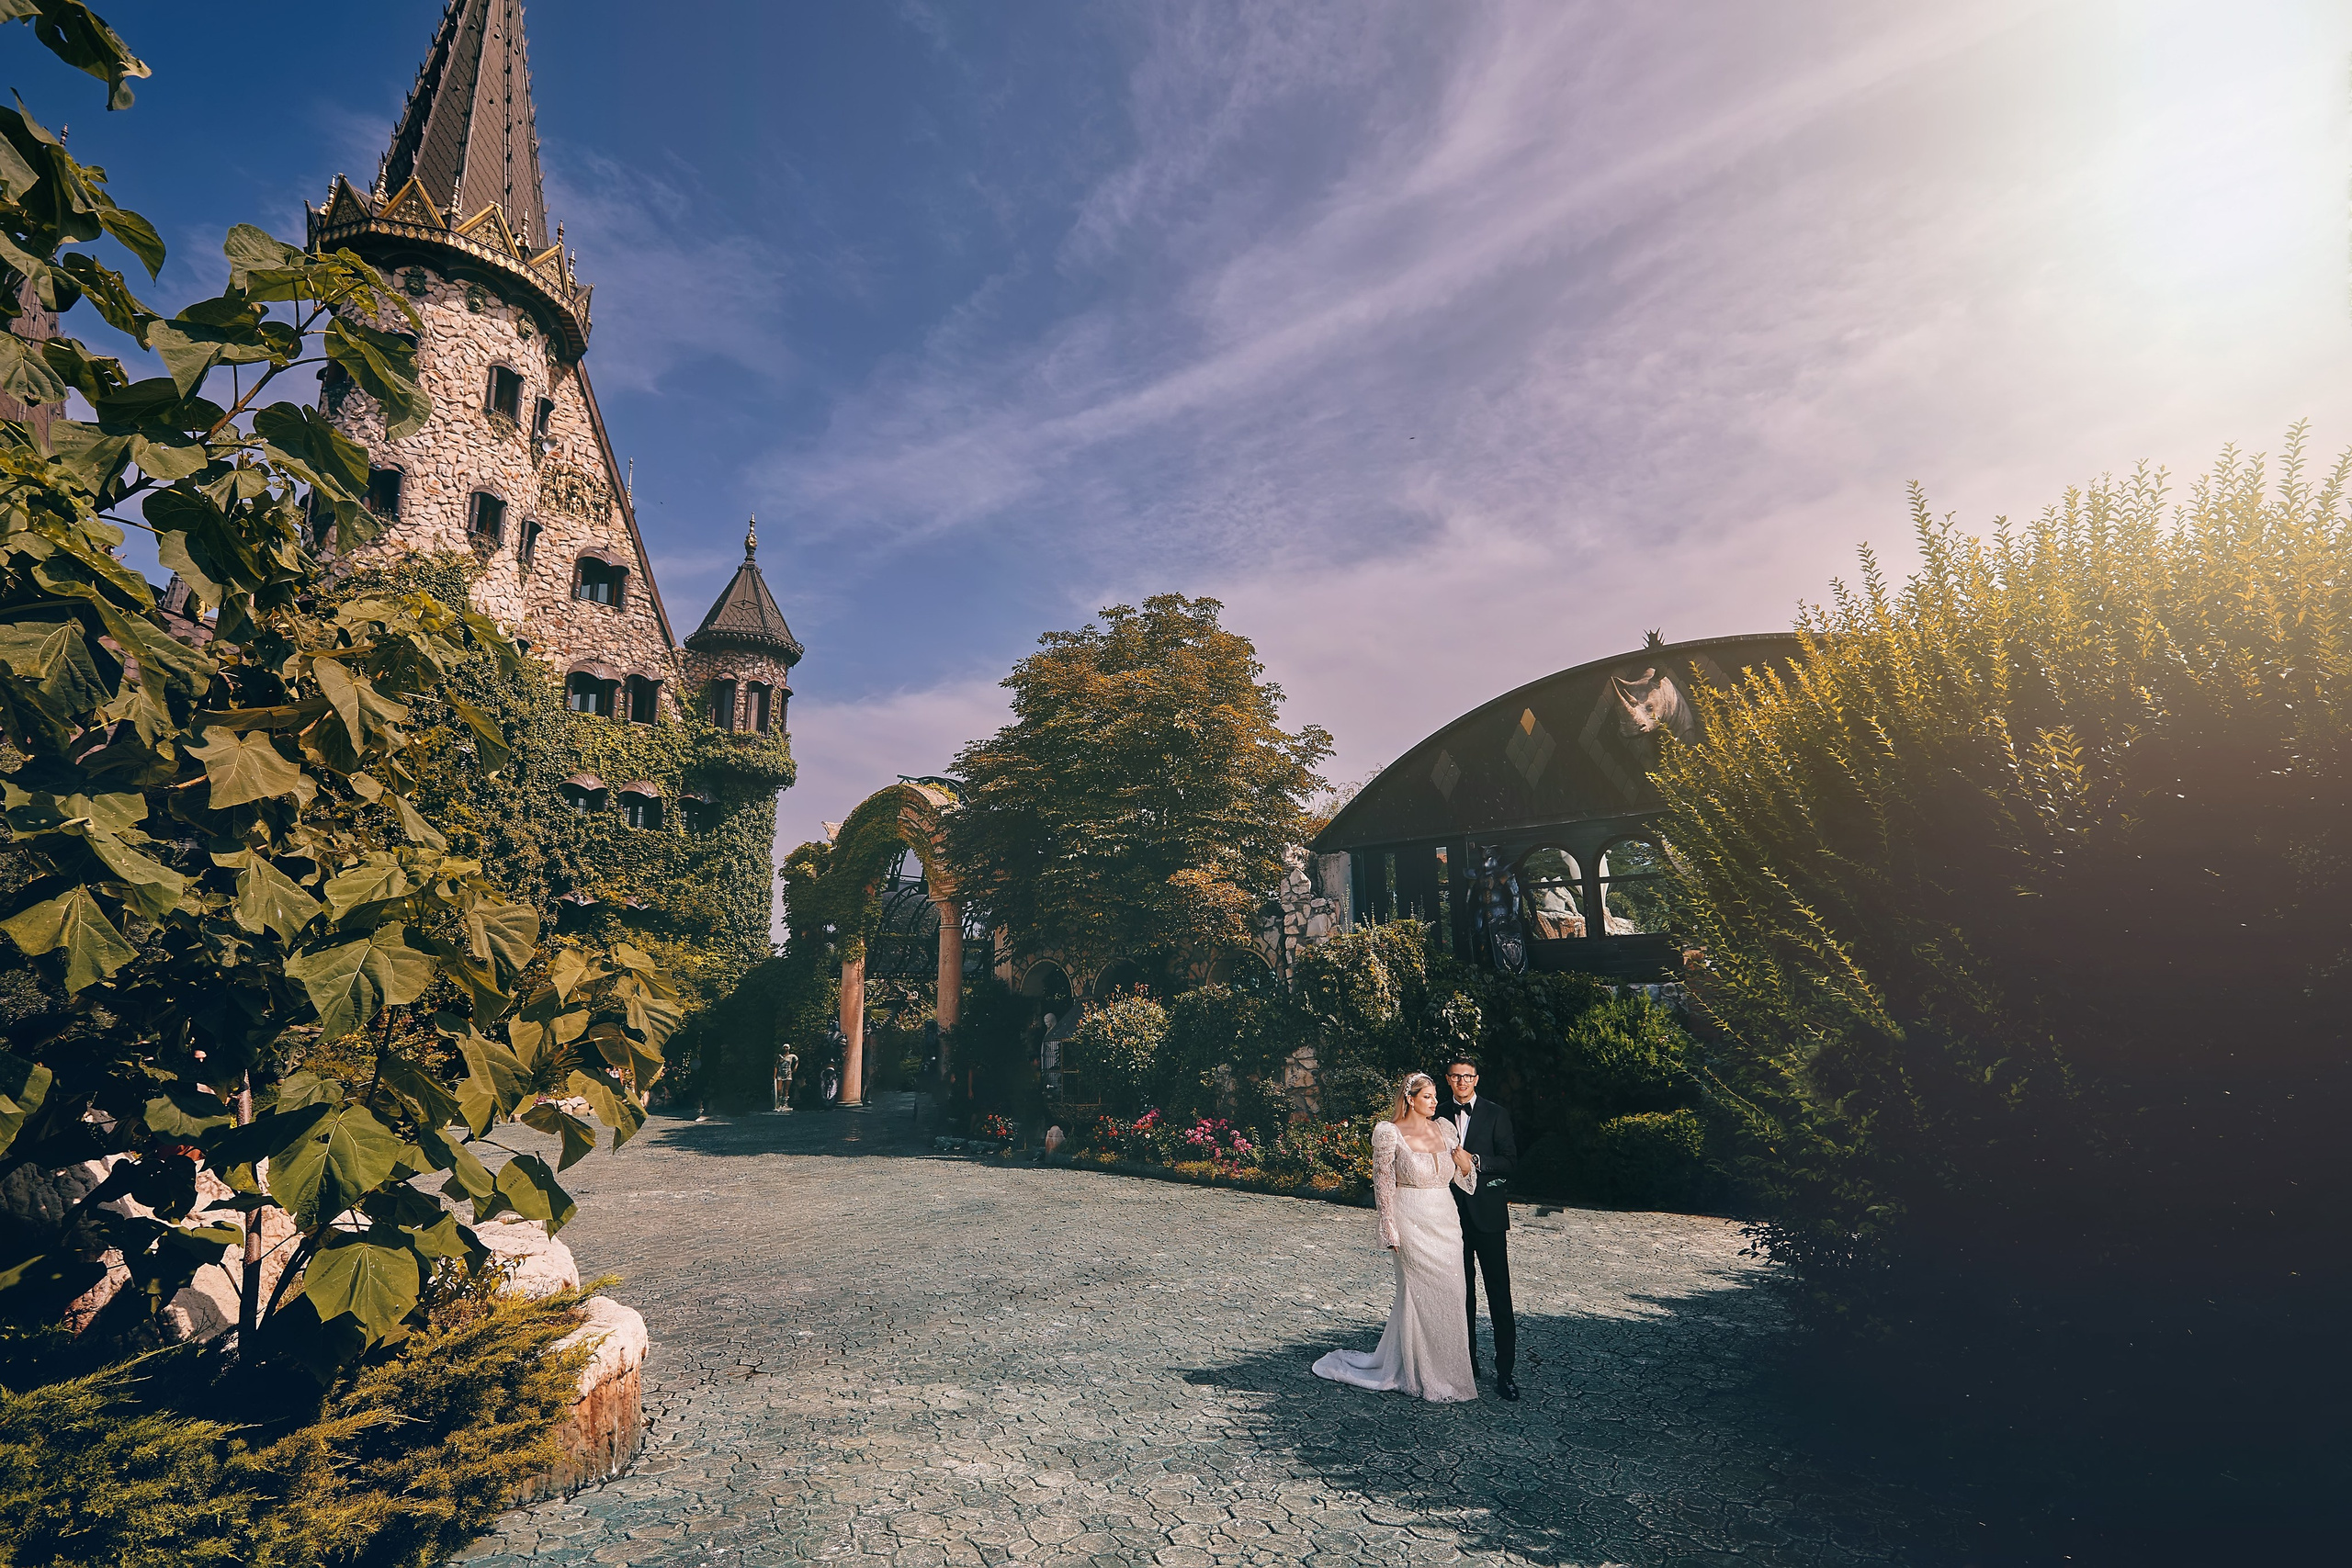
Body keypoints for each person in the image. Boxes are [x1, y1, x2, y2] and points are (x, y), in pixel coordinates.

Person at [1311, 1072, 1479, 1403]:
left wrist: (1465, 1163)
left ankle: (1450, 1372)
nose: (1435, 1101)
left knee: (1452, 1292)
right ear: (1410, 1099)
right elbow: (1383, 1183)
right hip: (1411, 1219)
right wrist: (1388, 1225)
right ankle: (1418, 1373)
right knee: (1417, 1295)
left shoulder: (1445, 1129)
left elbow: (1464, 1180)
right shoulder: (1389, 1133)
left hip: (1447, 1220)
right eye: (1428, 1096)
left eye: (1434, 1096)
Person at [1445, 1056, 1521, 1401]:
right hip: (1450, 1219)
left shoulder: (1496, 1113)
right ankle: (1467, 1364)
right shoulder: (1437, 1114)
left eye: (1468, 1076)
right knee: (1462, 1298)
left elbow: (1509, 1162)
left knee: (1499, 1299)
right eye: (1456, 1076)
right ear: (1448, 1080)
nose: (1462, 1082)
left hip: (1489, 1219)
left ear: (1477, 1079)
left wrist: (1475, 1161)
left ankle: (1505, 1372)